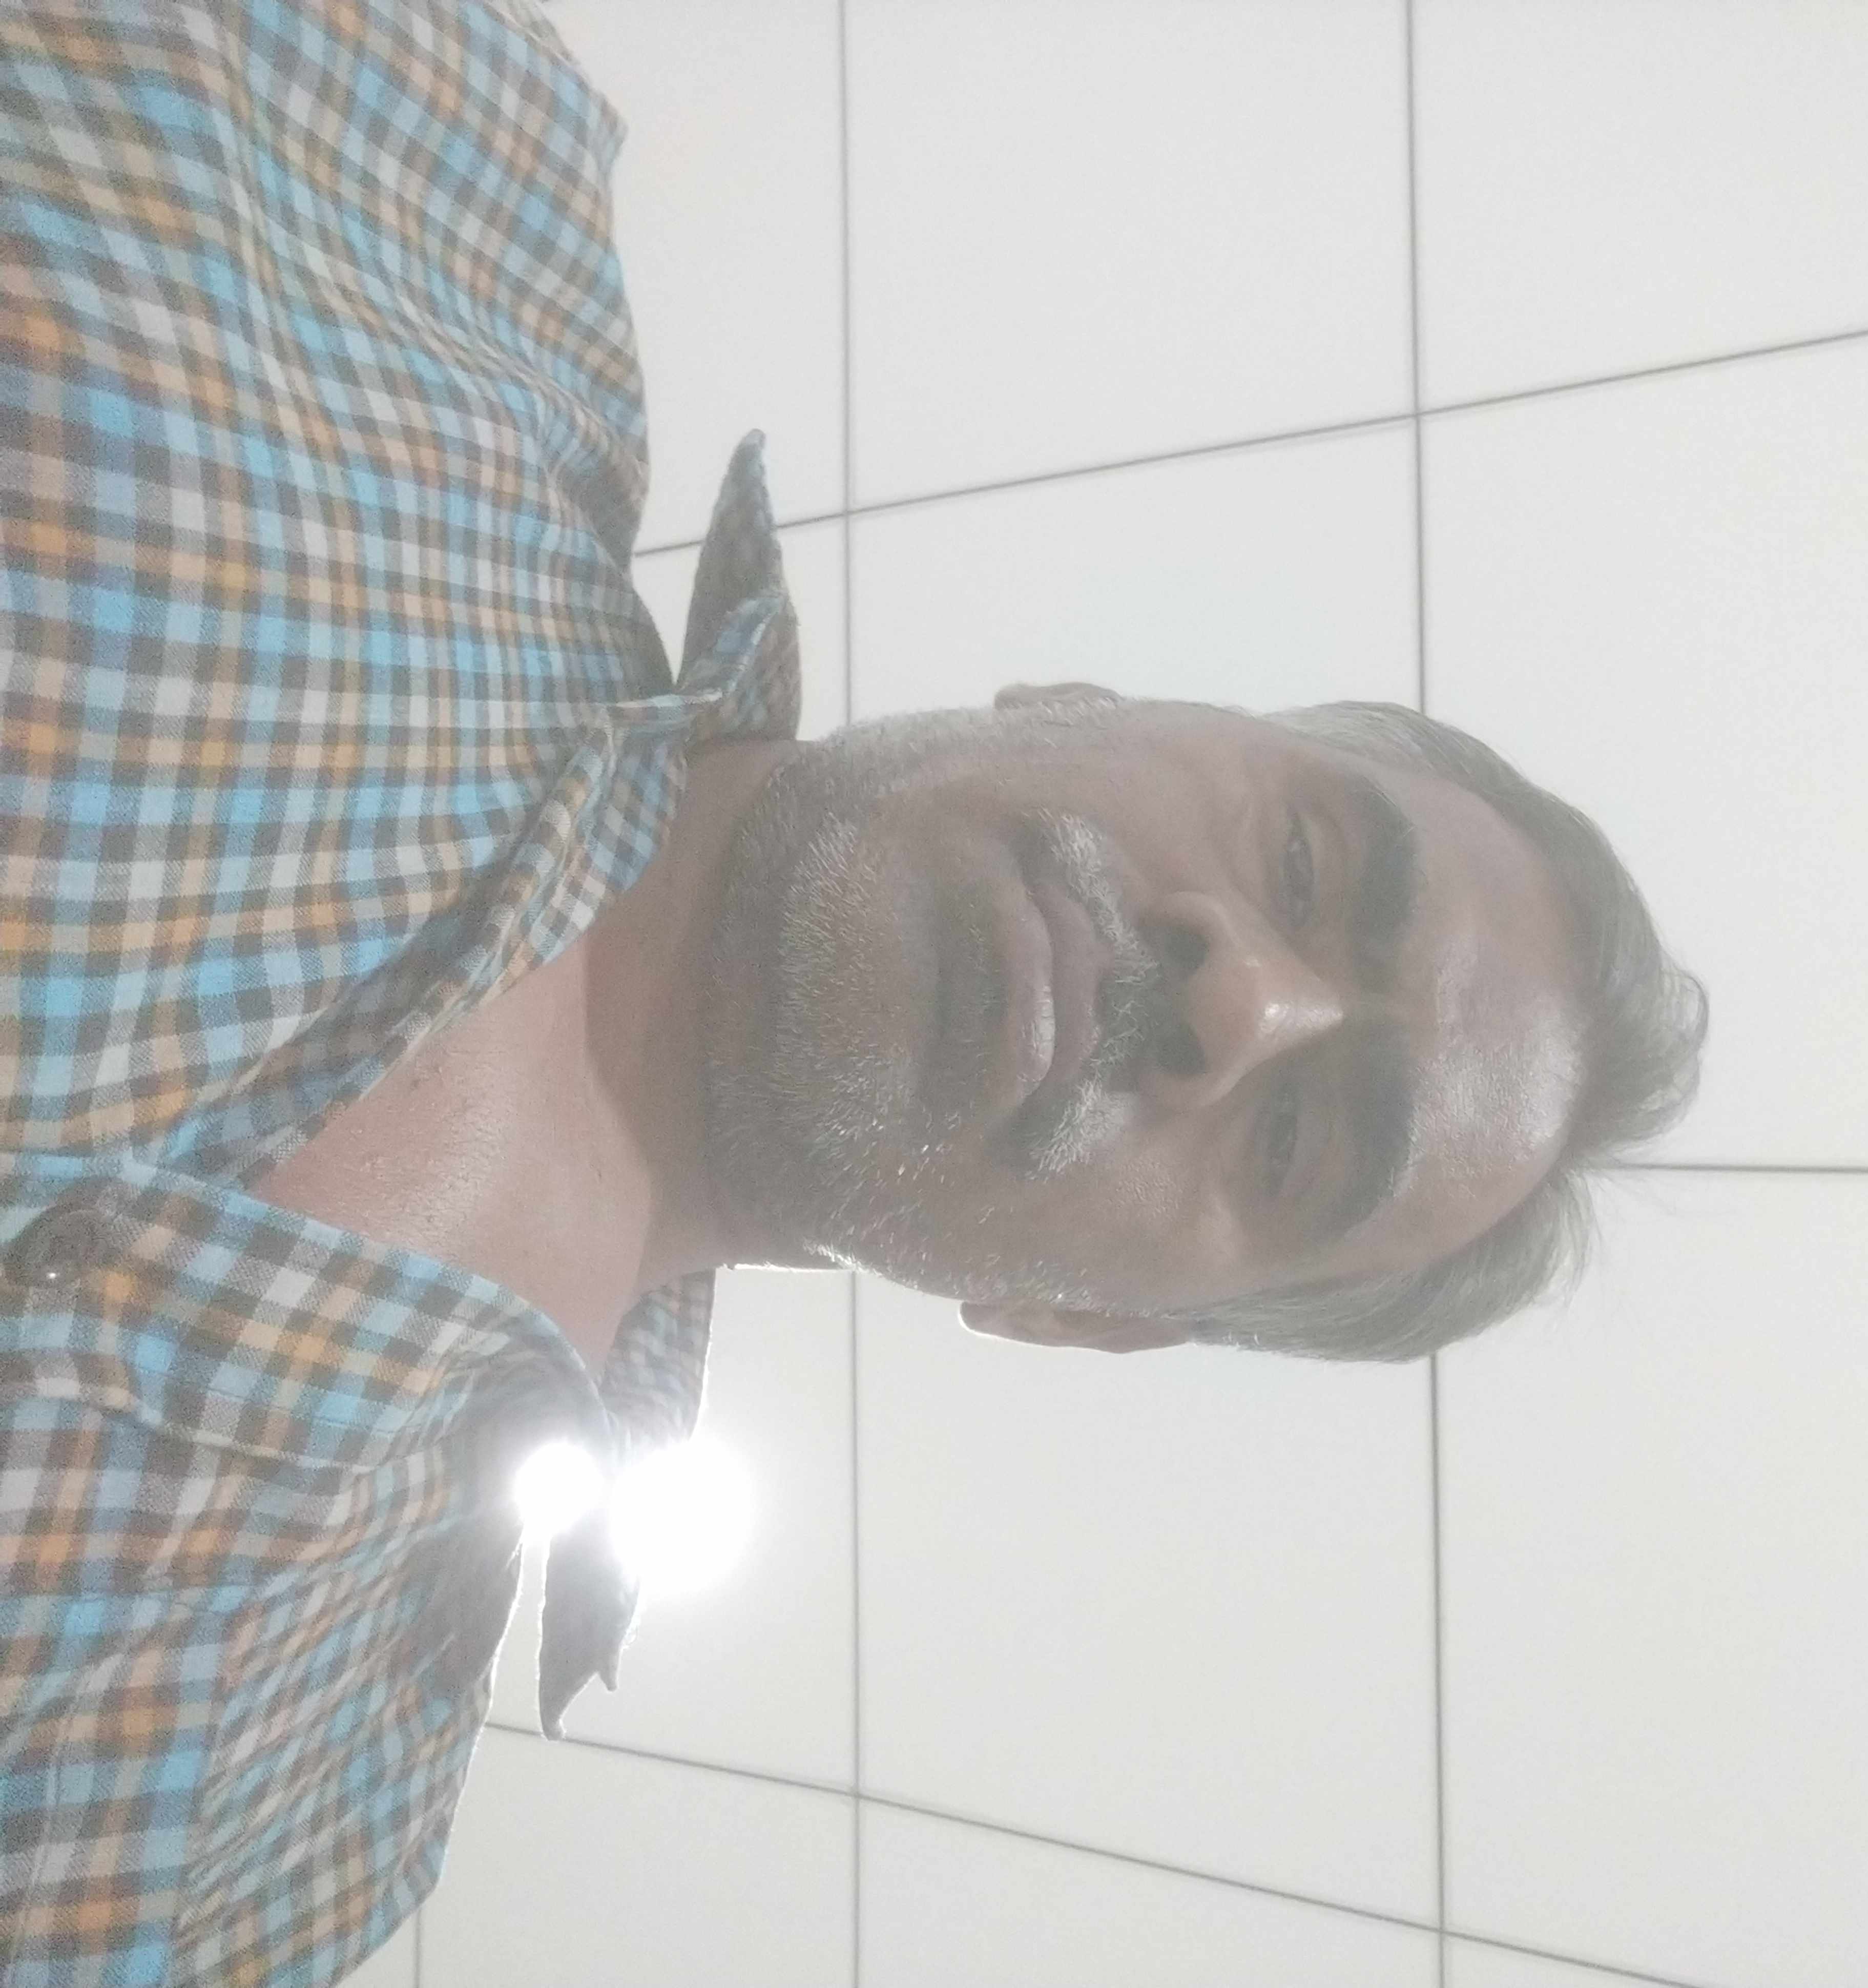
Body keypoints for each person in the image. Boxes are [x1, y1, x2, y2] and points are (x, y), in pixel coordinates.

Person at [0, 0, 1706, 1980]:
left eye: (1304, 1142)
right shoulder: (440, 190)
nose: (1242, 1004)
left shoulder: (282, 1835)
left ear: (1083, 1322)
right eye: (1311, 870)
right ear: (1081, 696)